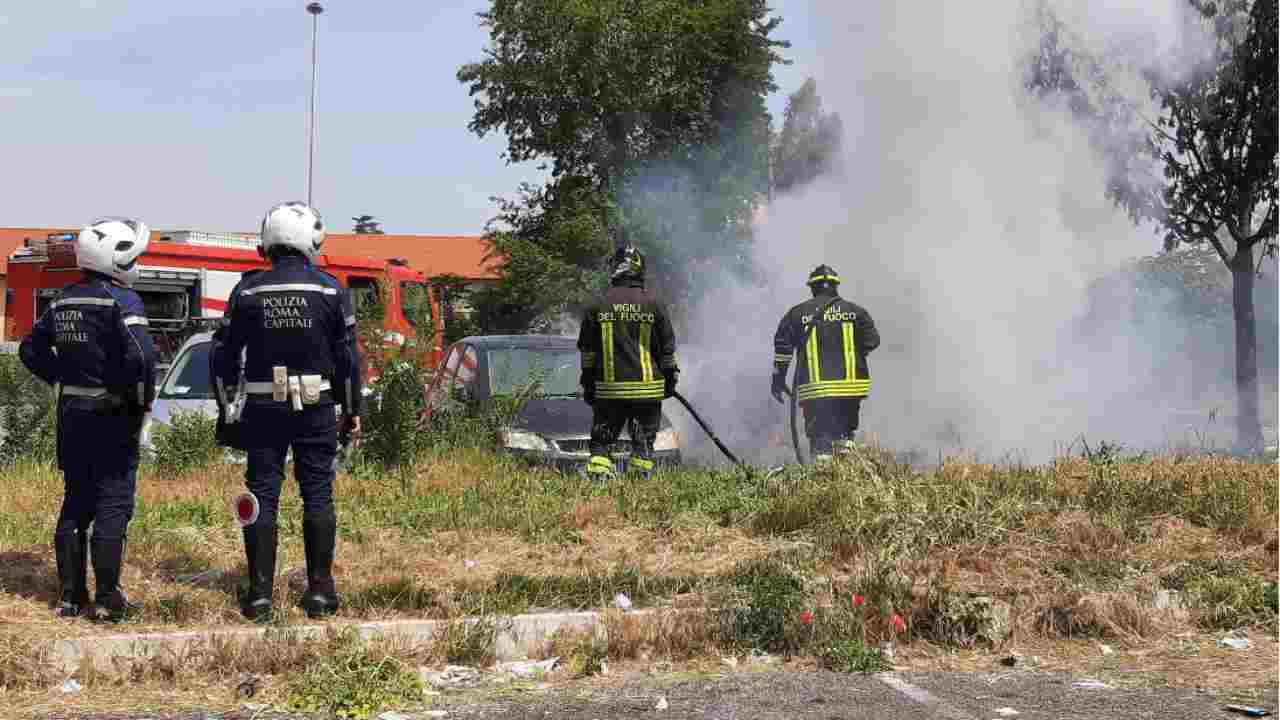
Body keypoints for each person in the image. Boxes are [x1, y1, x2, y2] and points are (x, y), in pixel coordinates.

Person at [210, 201, 362, 622]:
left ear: (268, 241)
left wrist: (227, 411)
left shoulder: (248, 290)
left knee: (262, 493)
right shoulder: (332, 290)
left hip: (262, 406)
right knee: (317, 492)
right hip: (317, 407)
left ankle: (259, 596)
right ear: (311, 240)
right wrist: (352, 410)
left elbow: (222, 356)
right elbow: (348, 359)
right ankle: (320, 593)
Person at [20, 217, 156, 622]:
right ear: (116, 260)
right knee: (113, 501)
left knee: (76, 502)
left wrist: (62, 378)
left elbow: (31, 349)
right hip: (112, 415)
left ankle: (69, 597)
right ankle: (108, 598)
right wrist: (140, 402)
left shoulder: (63, 299)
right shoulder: (122, 300)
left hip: (72, 414)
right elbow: (143, 357)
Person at [577, 244, 678, 481]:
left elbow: (588, 351)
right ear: (639, 269)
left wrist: (588, 383)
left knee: (602, 444)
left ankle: (599, 484)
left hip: (610, 391)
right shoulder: (654, 303)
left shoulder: (597, 304)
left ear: (616, 268)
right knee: (643, 446)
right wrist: (670, 378)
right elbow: (667, 349)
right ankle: (639, 486)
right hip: (647, 391)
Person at [771, 264, 879, 463]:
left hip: (815, 390)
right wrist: (852, 357)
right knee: (845, 434)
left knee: (820, 438)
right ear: (836, 286)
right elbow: (873, 341)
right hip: (850, 388)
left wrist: (778, 380)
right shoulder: (856, 312)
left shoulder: (796, 314)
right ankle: (847, 477)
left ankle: (824, 481)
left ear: (812, 287)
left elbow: (783, 350)